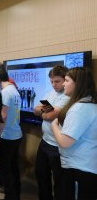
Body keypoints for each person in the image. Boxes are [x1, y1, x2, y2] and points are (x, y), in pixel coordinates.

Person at [52, 67, 97, 200]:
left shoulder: (80, 108)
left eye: (65, 80)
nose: (62, 84)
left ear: (78, 84)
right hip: (78, 166)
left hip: (79, 168)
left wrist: (54, 124)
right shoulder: (85, 103)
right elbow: (40, 108)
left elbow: (65, 142)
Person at [34, 65, 69, 200]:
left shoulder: (67, 95)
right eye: (51, 81)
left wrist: (45, 112)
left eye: (57, 81)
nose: (54, 85)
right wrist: (47, 112)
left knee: (59, 181)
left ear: (65, 80)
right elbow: (35, 109)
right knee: (41, 174)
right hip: (45, 141)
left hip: (57, 146)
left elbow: (48, 115)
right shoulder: (50, 93)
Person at [0, 66, 22, 200]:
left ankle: (9, 197)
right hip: (16, 134)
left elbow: (3, 116)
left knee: (5, 170)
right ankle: (15, 195)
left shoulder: (5, 93)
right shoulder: (14, 90)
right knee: (13, 167)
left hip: (6, 136)